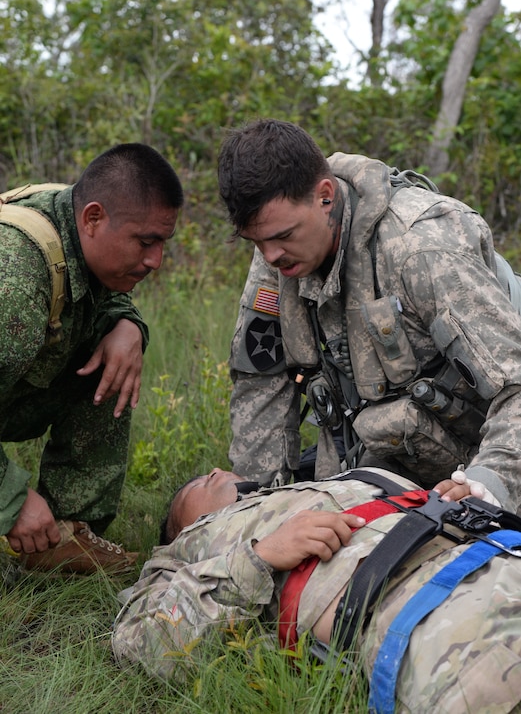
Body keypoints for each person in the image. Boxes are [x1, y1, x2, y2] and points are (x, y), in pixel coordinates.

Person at [217, 117, 521, 513]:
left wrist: (489, 484)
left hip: (492, 456)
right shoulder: (278, 254)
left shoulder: (421, 247)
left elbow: (515, 386)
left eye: (281, 237)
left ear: (325, 197)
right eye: (256, 242)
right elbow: (261, 390)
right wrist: (257, 512)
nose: (271, 256)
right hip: (391, 457)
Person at [111, 467, 521, 711]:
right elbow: (137, 643)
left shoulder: (337, 478)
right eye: (198, 483)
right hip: (436, 625)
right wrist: (261, 557)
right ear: (177, 532)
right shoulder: (186, 553)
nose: (216, 471)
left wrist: (454, 500)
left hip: (499, 558)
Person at [0, 143, 183, 573]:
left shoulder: (77, 223)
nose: (155, 260)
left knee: (113, 357)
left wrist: (129, 326)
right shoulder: (14, 286)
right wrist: (11, 497)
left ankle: (62, 535)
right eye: (146, 242)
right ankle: (31, 524)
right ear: (93, 218)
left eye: (163, 243)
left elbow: (92, 293)